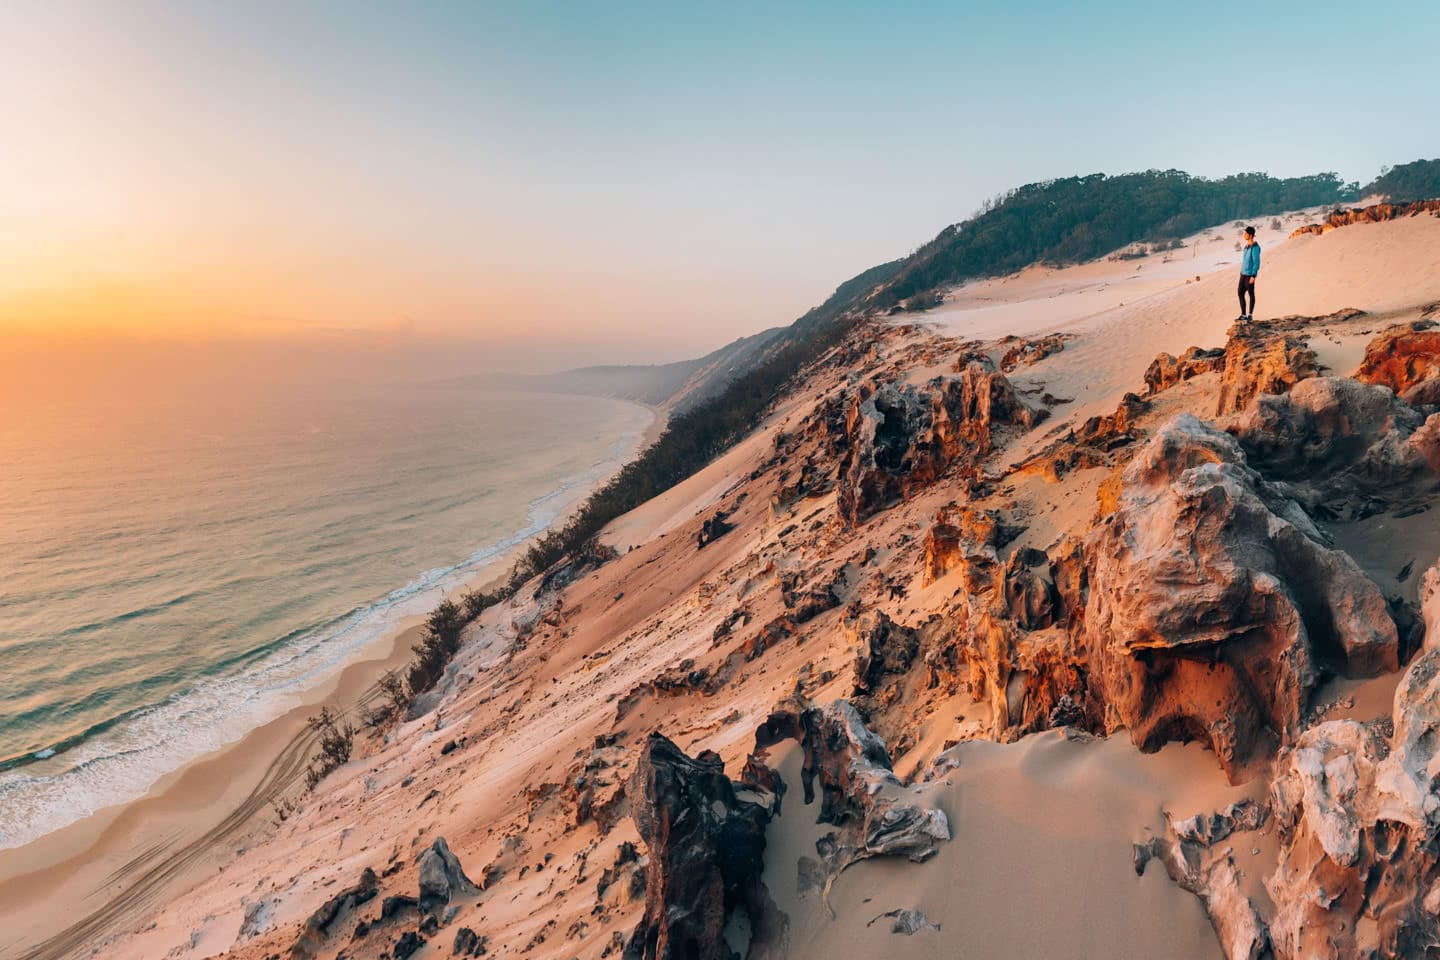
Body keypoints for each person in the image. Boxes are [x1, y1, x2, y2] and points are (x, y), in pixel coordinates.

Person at [1237, 225, 1260, 321]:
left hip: (1249, 275)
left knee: (1251, 294)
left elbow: (1256, 263)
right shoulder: (1246, 247)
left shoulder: (1255, 247)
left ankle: (1250, 315)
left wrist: (1253, 275)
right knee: (1240, 293)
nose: (1244, 235)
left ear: (1250, 235)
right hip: (1243, 275)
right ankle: (1243, 315)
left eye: (1246, 233)